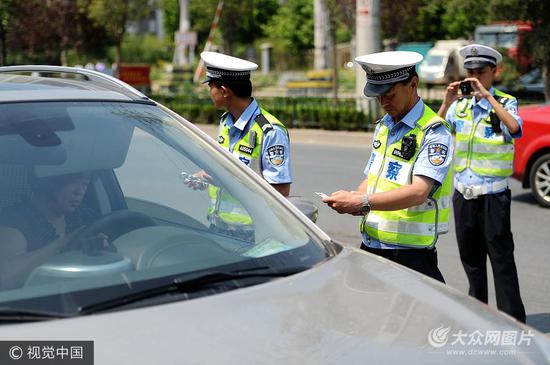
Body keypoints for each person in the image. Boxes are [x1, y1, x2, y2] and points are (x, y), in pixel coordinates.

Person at [322, 51, 453, 283]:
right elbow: (373, 177)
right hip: (373, 243)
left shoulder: (433, 132)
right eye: (378, 97)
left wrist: (362, 202)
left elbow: (418, 192)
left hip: (410, 254)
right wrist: (355, 197)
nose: (383, 102)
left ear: (413, 84)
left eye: (389, 94)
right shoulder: (385, 125)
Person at [437, 44, 526, 322]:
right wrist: (447, 102)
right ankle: (479, 318)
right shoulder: (459, 107)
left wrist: (487, 97)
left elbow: (515, 128)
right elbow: (434, 132)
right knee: (471, 261)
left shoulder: (505, 102)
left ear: (493, 73)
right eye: (470, 72)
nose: (474, 78)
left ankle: (513, 323)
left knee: (501, 261)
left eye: (480, 72)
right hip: (463, 195)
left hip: (493, 196)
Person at [185, 52, 292, 239]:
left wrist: (223, 179)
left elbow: (280, 191)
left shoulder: (269, 130)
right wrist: (205, 175)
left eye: (211, 87)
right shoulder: (226, 122)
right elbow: (228, 167)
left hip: (253, 234)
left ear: (225, 91)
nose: (209, 92)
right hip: (218, 226)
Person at [0, 171, 104, 289]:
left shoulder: (84, 216)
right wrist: (62, 244)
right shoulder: (15, 220)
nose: (79, 191)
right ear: (48, 182)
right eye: (72, 182)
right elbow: (6, 278)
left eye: (85, 184)